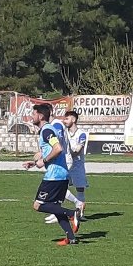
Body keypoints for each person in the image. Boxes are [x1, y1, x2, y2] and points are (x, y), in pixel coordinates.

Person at [22, 103, 80, 246]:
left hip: (54, 176)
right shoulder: (49, 130)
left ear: (40, 116)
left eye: (33, 114)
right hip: (62, 175)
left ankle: (73, 214)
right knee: (56, 207)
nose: (31, 116)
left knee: (38, 205)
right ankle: (71, 237)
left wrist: (44, 160)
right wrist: (35, 163)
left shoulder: (47, 131)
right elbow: (52, 150)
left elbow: (58, 149)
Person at [63, 110, 89, 219]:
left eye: (67, 119)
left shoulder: (81, 134)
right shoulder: (64, 133)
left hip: (77, 166)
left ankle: (80, 214)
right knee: (60, 187)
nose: (64, 121)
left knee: (80, 189)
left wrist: (69, 152)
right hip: (66, 165)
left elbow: (78, 150)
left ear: (73, 120)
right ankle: (75, 204)